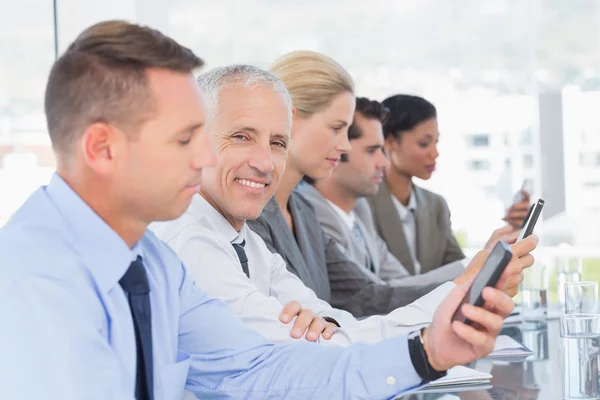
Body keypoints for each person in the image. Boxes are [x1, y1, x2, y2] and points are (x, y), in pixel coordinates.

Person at [0, 20, 520, 400]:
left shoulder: (154, 266)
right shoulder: (32, 282)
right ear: (102, 149)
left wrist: (424, 353)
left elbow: (257, 370)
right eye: (185, 139)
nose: (205, 158)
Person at [153, 65, 536, 346]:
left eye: (278, 143)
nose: (266, 162)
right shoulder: (192, 242)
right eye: (241, 136)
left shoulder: (245, 239)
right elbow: (327, 347)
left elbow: (343, 329)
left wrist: (461, 288)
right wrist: (459, 290)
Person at [300, 97, 525, 286]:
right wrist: (479, 262)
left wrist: (484, 261)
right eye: (424, 143)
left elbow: (396, 284)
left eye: (436, 142)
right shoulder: (340, 205)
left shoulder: (360, 209)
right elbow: (372, 295)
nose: (382, 161)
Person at [363, 94, 530, 276]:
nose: (435, 153)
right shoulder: (363, 205)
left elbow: (462, 276)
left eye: (436, 142)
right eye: (424, 143)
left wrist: (509, 233)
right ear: (390, 142)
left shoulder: (436, 206)